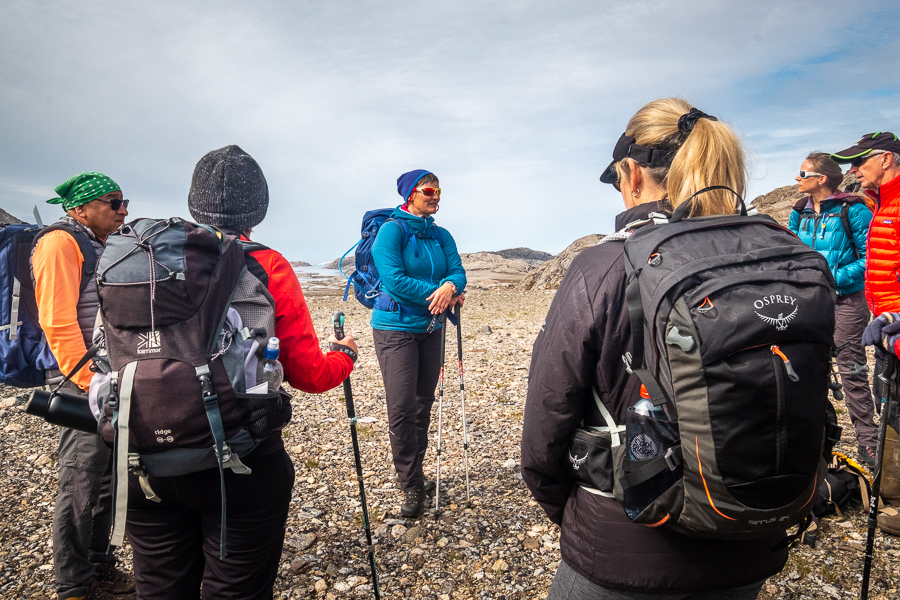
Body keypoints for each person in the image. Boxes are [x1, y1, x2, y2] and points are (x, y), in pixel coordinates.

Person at [521, 99, 788, 598]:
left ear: (632, 173)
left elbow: (545, 432)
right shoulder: (784, 252)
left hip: (624, 546)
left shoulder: (601, 267)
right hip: (752, 535)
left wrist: (582, 516)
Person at [123, 145, 359, 599]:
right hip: (241, 456)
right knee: (236, 589)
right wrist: (345, 356)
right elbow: (309, 374)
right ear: (259, 209)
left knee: (158, 587)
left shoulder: (143, 257)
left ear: (195, 204)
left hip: (140, 454)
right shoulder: (265, 264)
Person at [31, 172, 135, 600]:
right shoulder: (60, 243)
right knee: (80, 481)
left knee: (109, 480)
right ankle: (73, 585)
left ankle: (99, 565)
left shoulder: (95, 242)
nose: (123, 209)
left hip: (104, 379)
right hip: (82, 384)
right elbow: (56, 321)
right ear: (80, 208)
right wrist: (91, 383)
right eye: (113, 202)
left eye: (124, 201)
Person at [371, 169, 466, 518]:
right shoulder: (390, 231)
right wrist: (439, 293)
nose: (436, 195)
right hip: (395, 328)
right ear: (410, 194)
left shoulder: (441, 235)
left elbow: (458, 272)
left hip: (431, 327)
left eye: (439, 189)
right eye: (429, 189)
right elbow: (394, 280)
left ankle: (416, 473)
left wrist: (450, 287)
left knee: (423, 402)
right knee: (401, 408)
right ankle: (410, 484)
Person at [788, 152, 876, 467]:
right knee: (807, 367)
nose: (796, 178)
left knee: (851, 369)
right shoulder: (799, 210)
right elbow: (792, 253)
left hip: (847, 301)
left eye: (802, 172)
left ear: (821, 178)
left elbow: (870, 257)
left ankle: (870, 446)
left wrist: (832, 277)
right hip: (809, 300)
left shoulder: (853, 210)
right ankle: (811, 445)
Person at [836, 132, 900, 537]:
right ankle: (892, 491)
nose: (853, 170)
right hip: (888, 332)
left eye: (860, 160)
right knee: (892, 410)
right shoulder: (880, 204)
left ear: (887, 159)